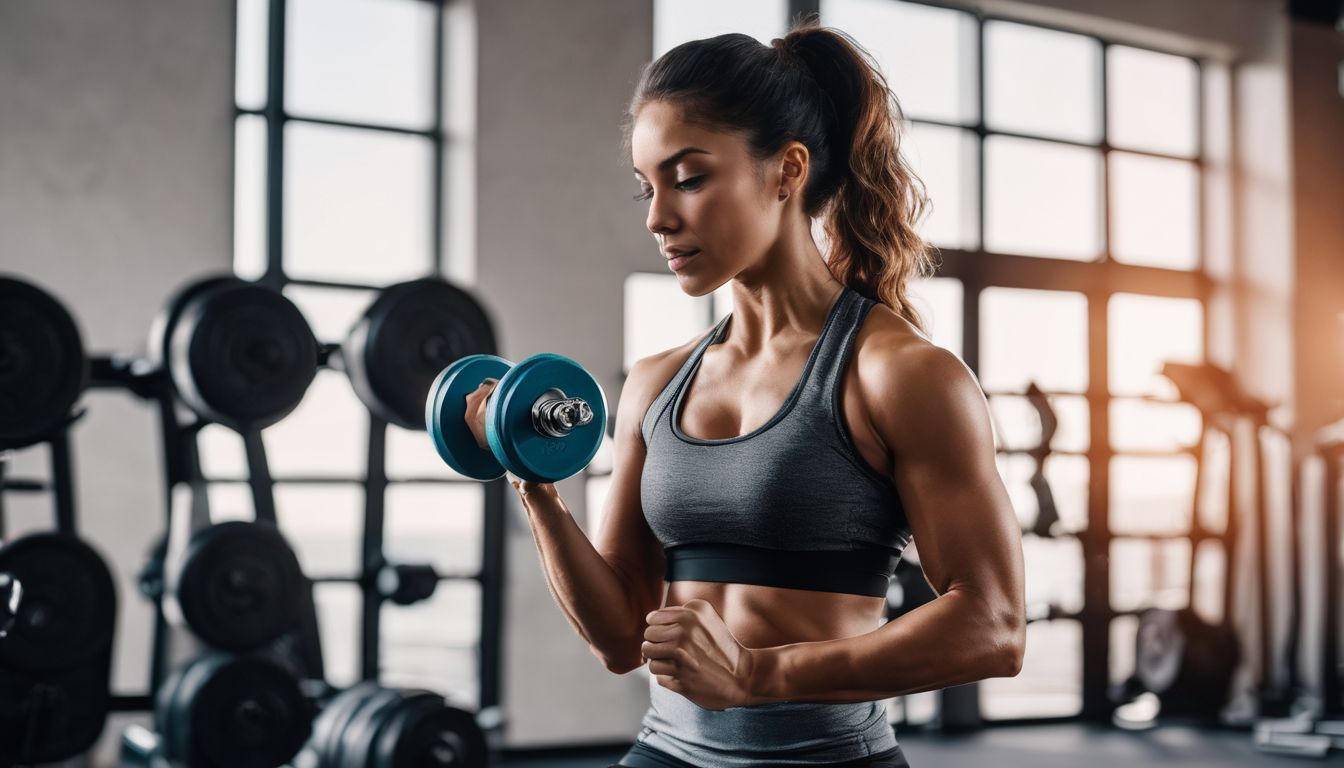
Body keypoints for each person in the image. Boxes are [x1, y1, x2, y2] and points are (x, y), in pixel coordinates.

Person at [468, 17, 1026, 768]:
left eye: (690, 178)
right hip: (664, 751)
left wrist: (756, 674)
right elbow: (619, 637)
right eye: (647, 187)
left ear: (787, 171)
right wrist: (532, 481)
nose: (659, 218)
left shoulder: (900, 374)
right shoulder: (656, 383)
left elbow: (992, 627)